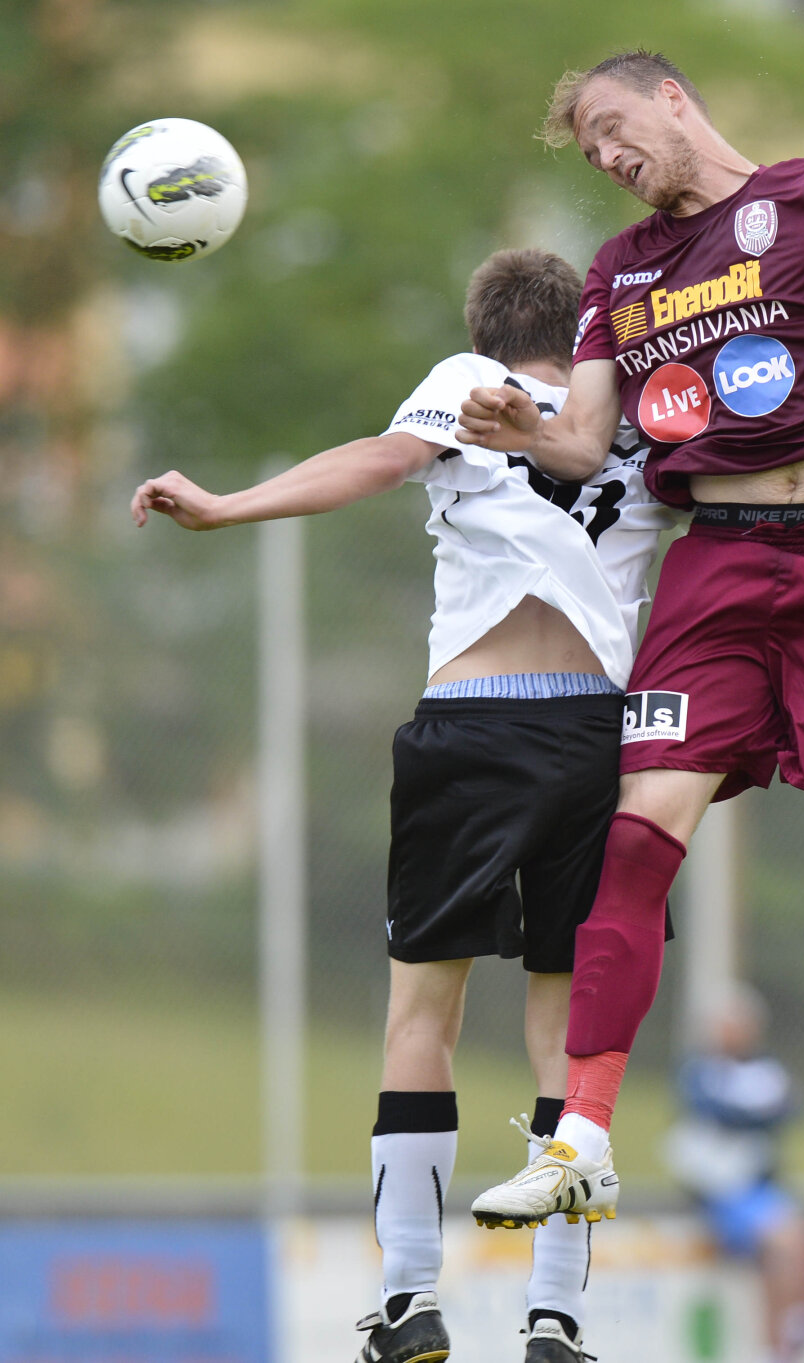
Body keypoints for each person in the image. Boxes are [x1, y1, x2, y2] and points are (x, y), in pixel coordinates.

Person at [460, 51, 804, 1291]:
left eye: (612, 126)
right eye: (588, 148)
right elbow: (589, 437)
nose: (606, 155)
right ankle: (582, 1139)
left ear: (672, 100)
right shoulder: (622, 270)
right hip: (719, 561)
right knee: (640, 839)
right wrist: (526, 432)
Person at [130, 248, 674, 1363]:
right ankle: (557, 1318)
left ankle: (413, 1301)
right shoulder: (640, 421)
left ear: (485, 331)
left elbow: (382, 460)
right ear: (581, 333)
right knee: (569, 1035)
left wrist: (228, 506)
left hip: (471, 729)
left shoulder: (471, 385)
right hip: (599, 742)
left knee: (422, 1017)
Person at [665, 984, 804, 1363]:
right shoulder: (700, 1070)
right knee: (783, 1240)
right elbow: (715, 1111)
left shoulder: (765, 1068)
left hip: (757, 1188)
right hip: (720, 1192)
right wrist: (757, 1114)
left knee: (796, 1240)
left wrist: (753, 1115)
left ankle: (791, 1332)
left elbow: (795, 1108)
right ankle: (787, 1335)